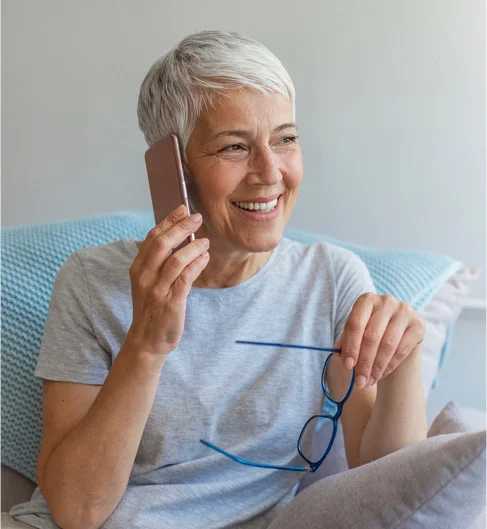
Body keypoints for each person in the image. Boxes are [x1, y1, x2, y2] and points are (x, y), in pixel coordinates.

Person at [10, 29, 427, 529]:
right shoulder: (91, 282)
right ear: (173, 168)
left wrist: (405, 359)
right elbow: (78, 510)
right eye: (234, 147)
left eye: (286, 139)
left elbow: (389, 483)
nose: (269, 172)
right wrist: (146, 345)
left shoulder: (331, 280)